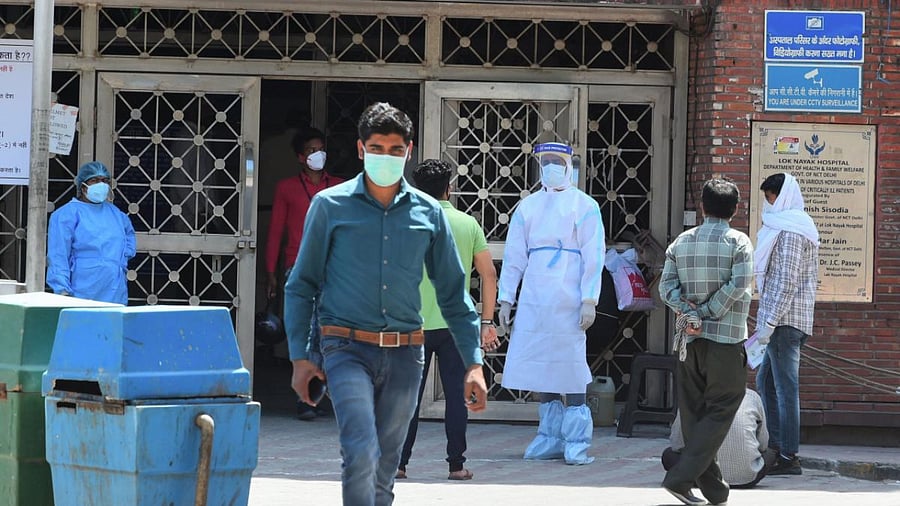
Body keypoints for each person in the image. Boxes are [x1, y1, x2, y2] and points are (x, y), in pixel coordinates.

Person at [283, 102, 488, 506]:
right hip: (345, 348)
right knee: (360, 450)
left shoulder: (429, 213)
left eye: (396, 150)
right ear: (361, 149)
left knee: (386, 465)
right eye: (377, 148)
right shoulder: (330, 206)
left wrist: (473, 363)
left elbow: (453, 292)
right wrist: (299, 357)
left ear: (408, 152)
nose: (387, 157)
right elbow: (301, 283)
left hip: (405, 353)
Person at [497, 142, 605, 466]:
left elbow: (593, 256)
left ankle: (575, 439)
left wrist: (590, 299)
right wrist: (506, 298)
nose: (551, 166)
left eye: (557, 160)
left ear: (569, 165)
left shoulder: (584, 206)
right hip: (535, 295)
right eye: (545, 161)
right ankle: (548, 435)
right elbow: (514, 256)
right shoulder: (528, 207)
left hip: (569, 296)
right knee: (541, 366)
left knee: (569, 366)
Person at [396, 159, 500, 482]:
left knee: (406, 398)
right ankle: (456, 465)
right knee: (457, 396)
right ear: (449, 188)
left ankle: (398, 464)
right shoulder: (467, 223)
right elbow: (488, 274)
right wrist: (486, 321)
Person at [658, 178, 752, 506]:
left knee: (696, 413)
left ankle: (715, 491)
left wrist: (691, 312)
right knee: (722, 408)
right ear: (735, 209)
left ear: (702, 207)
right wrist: (710, 311)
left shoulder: (681, 243)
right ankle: (680, 478)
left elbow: (665, 289)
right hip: (725, 341)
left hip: (688, 341)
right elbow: (739, 284)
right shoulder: (739, 242)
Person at [265, 127, 342, 421]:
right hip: (298, 267)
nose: (317, 154)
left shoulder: (338, 186)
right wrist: (270, 273)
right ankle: (306, 398)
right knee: (305, 333)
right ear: (300, 157)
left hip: (334, 268)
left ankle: (327, 393)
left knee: (331, 332)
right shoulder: (287, 188)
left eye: (321, 148)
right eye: (311, 150)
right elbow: (276, 232)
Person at [753, 172, 819, 476]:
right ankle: (776, 446)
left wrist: (768, 322)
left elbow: (786, 281)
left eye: (771, 197)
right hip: (780, 320)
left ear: (784, 196)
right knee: (766, 381)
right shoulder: (787, 226)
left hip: (784, 321)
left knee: (784, 388)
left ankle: (788, 454)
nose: (769, 204)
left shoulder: (792, 229)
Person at [47, 161, 136, 305]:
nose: (100, 184)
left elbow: (129, 238)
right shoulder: (66, 215)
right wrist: (62, 290)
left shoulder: (116, 214)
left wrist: (121, 261)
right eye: (94, 180)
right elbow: (58, 255)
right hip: (81, 289)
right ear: (83, 186)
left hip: (114, 288)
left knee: (111, 326)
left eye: (104, 180)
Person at [663, 388, 776, 489]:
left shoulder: (691, 397)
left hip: (698, 477)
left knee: (668, 454)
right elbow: (763, 445)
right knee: (770, 454)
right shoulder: (751, 396)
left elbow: (677, 445)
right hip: (747, 478)